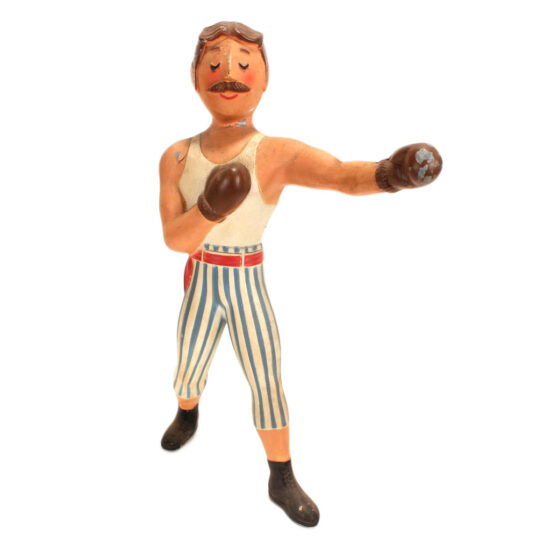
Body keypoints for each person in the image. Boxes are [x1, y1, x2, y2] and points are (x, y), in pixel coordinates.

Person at [158, 21, 442, 527]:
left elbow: (339, 175)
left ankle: (281, 474)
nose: (228, 72)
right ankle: (187, 411)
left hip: (246, 279)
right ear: (195, 77)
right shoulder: (177, 156)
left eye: (244, 63)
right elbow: (176, 238)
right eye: (215, 62)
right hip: (202, 275)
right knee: (188, 362)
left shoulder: (273, 153)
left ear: (265, 79)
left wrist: (389, 173)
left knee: (266, 375)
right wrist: (209, 207)